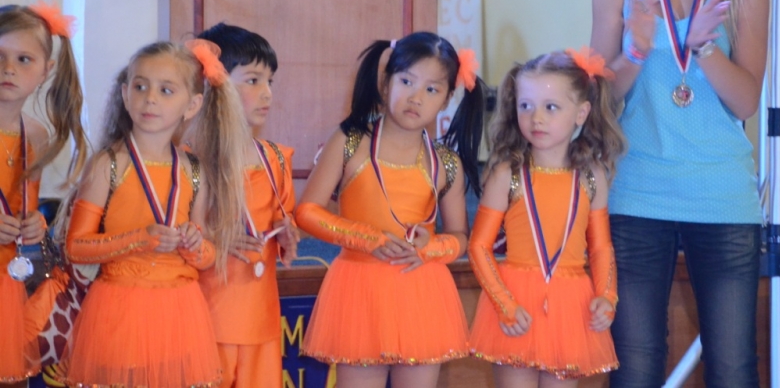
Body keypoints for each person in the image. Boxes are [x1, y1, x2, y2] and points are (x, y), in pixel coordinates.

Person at [590, 0, 770, 386]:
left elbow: (745, 102)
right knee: (634, 364)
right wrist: (637, 51)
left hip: (722, 194)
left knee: (733, 365)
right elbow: (597, 101)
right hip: (636, 192)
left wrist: (704, 48)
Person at [295, 32, 484, 388]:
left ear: (447, 100)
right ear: (385, 83)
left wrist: (431, 247)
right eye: (407, 81)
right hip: (358, 287)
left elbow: (460, 236)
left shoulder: (445, 162)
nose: (416, 97)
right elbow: (306, 211)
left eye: (432, 89)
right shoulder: (351, 140)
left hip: (421, 290)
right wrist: (367, 238)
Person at [61, 41, 250, 387]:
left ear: (192, 105)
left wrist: (194, 245)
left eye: (166, 90)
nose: (150, 98)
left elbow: (207, 255)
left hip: (180, 312)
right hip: (118, 309)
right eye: (140, 86)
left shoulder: (194, 170)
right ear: (125, 93)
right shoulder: (108, 164)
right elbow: (76, 247)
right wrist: (139, 239)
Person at [468, 49, 624, 388]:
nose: (536, 117)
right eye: (526, 105)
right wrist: (504, 302)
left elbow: (601, 247)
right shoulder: (507, 173)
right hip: (515, 303)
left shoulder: (592, 175)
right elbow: (478, 246)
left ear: (581, 113)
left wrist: (607, 295)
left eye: (550, 107)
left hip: (571, 305)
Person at [195, 23, 299, 388]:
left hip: (261, 319)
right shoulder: (190, 161)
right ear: (214, 84)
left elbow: (283, 221)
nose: (267, 93)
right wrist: (213, 237)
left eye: (270, 81)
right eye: (253, 80)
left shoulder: (276, 158)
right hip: (206, 318)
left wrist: (287, 235)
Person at [0, 3, 87, 384]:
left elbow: (25, 206)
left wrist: (35, 223)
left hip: (9, 281)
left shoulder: (35, 135)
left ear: (46, 70)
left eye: (23, 59)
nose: (8, 69)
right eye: (0, 56)